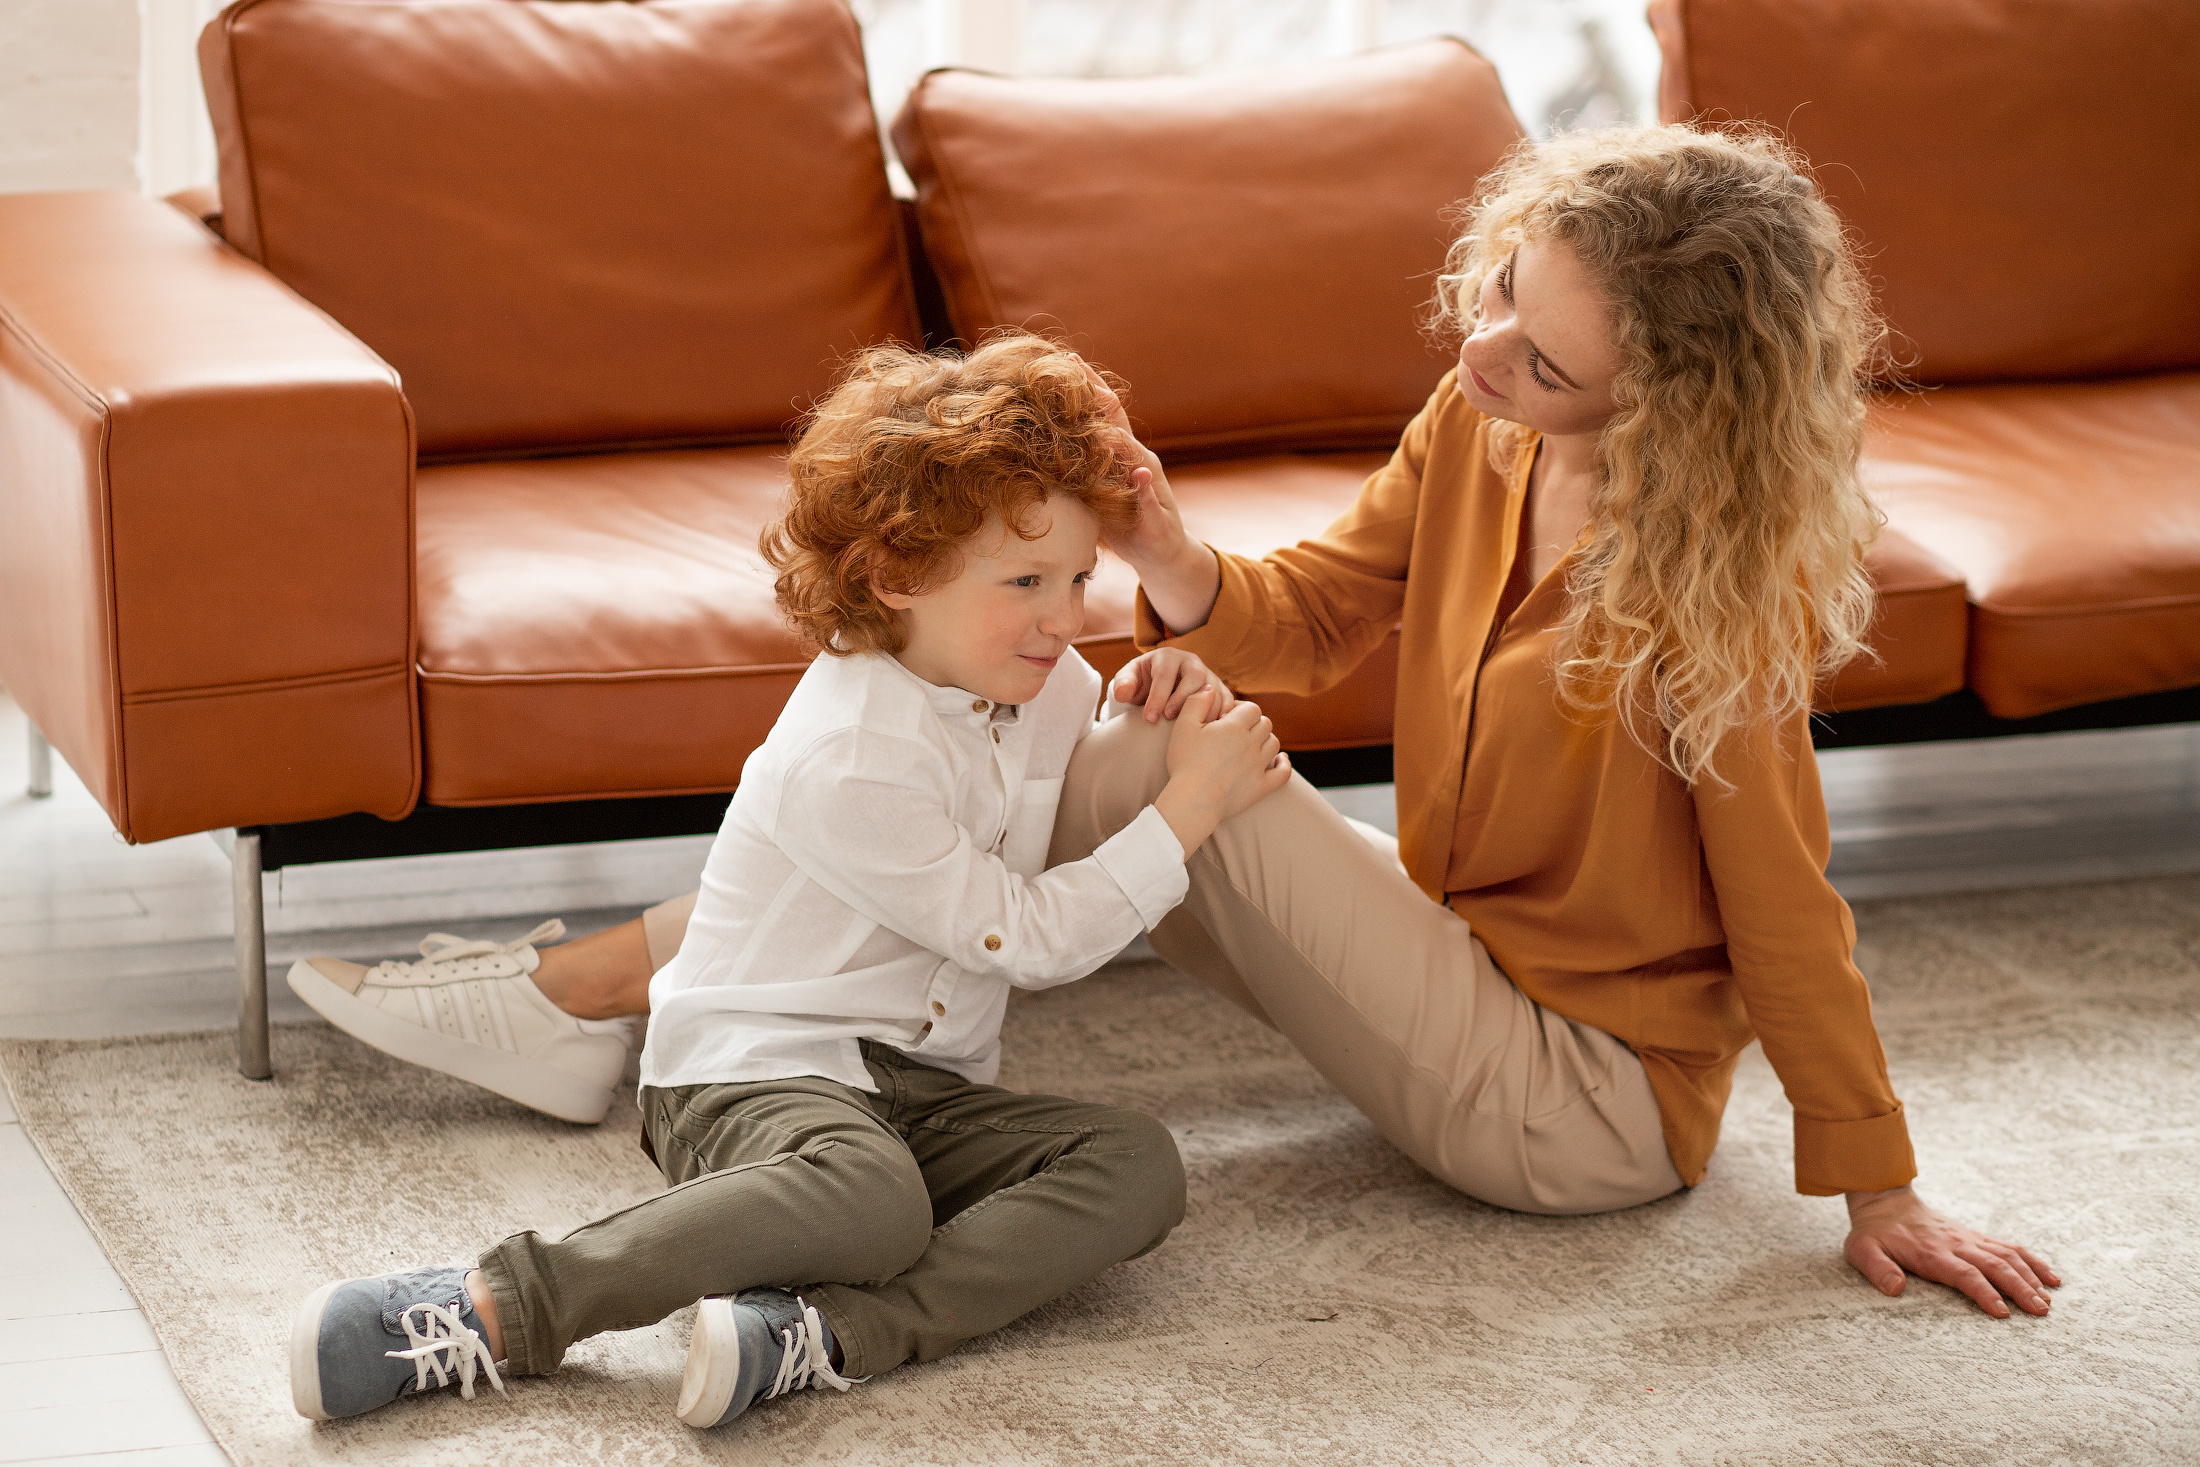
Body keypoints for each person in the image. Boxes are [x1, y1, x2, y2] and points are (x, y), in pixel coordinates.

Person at [296, 123, 2058, 1326]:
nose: (1482, 353)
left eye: (1542, 355)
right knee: (1110, 742)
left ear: (1673, 398)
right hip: (1457, 952)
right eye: (1498, 287)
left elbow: (1790, 918)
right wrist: (1158, 552)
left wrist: (1876, 1186)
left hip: (1582, 1105)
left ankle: (588, 995)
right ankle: (613, 998)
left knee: (1136, 762)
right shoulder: (1486, 440)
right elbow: (1308, 618)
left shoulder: (1707, 615)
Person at [286, 335, 1290, 1425]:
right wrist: (1190, 808)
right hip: (752, 1074)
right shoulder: (849, 751)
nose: (1066, 615)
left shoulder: (1036, 677)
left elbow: (1073, 758)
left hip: (923, 1087)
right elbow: (1027, 939)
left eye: (1081, 578)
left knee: (1134, 1165)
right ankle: (494, 1304)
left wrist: (1148, 689)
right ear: (894, 575)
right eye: (1026, 582)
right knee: (871, 1203)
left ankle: (829, 1336)